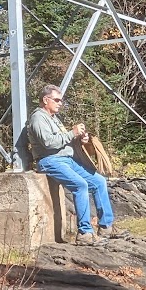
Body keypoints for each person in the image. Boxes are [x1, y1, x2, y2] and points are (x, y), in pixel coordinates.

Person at [27, 85, 114, 245]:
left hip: (67, 160)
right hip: (49, 160)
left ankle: (106, 226)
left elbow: (64, 140)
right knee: (80, 185)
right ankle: (84, 234)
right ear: (46, 100)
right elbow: (48, 143)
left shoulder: (54, 118)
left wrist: (80, 139)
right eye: (57, 100)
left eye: (61, 100)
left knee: (99, 181)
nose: (60, 103)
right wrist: (72, 133)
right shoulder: (38, 118)